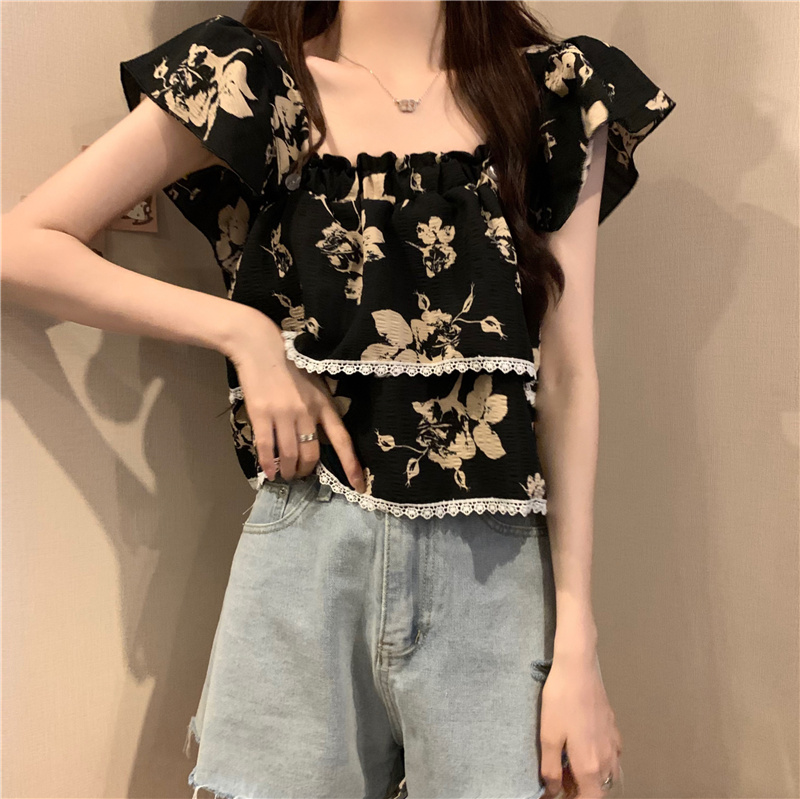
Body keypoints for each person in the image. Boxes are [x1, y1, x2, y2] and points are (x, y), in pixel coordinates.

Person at [2, 2, 676, 797]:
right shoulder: (257, 82)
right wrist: (242, 332)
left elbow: (566, 376)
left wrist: (577, 646)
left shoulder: (550, 99)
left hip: (492, 581)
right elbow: (22, 246)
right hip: (306, 557)